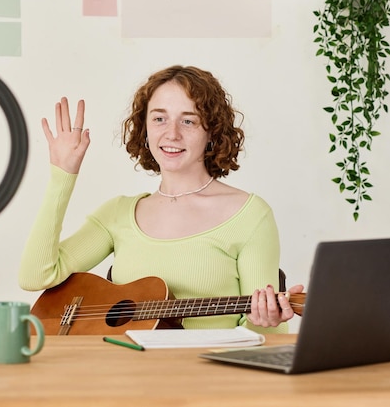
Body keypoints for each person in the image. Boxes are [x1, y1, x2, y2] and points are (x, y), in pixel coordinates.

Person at [19, 65, 303, 332]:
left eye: (189, 121)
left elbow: (267, 338)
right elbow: (35, 276)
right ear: (145, 129)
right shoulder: (116, 214)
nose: (172, 134)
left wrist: (266, 321)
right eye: (159, 118)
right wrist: (62, 176)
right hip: (125, 375)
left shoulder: (250, 214)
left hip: (210, 377)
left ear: (212, 131)